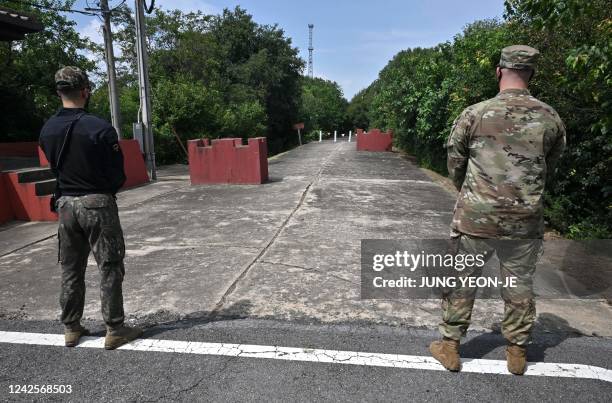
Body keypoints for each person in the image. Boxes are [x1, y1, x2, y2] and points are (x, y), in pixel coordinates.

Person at [429, 46, 566, 375]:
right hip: (525, 221)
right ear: (531, 74)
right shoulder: (550, 117)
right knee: (519, 285)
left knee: (462, 280)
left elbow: (455, 163)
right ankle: (517, 353)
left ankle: (450, 348)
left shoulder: (475, 114)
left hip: (476, 217)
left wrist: (472, 191)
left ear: (498, 71)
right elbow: (553, 166)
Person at [39, 66, 142, 350]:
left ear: (59, 91)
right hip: (97, 203)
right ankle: (115, 328)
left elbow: (53, 167)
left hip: (65, 205)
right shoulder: (99, 128)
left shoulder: (47, 129)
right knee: (109, 266)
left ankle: (71, 328)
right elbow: (117, 175)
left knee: (71, 268)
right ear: (85, 91)